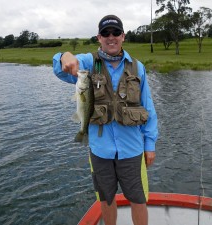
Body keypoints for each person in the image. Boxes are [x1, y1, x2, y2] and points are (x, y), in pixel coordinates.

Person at [52, 15, 158, 225]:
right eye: (106, 33)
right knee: (106, 199)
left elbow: (149, 108)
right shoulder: (88, 64)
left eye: (116, 33)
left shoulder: (138, 67)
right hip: (100, 149)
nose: (111, 37)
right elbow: (60, 68)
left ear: (123, 37)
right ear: (99, 37)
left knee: (138, 199)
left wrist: (150, 144)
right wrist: (64, 56)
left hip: (133, 149)